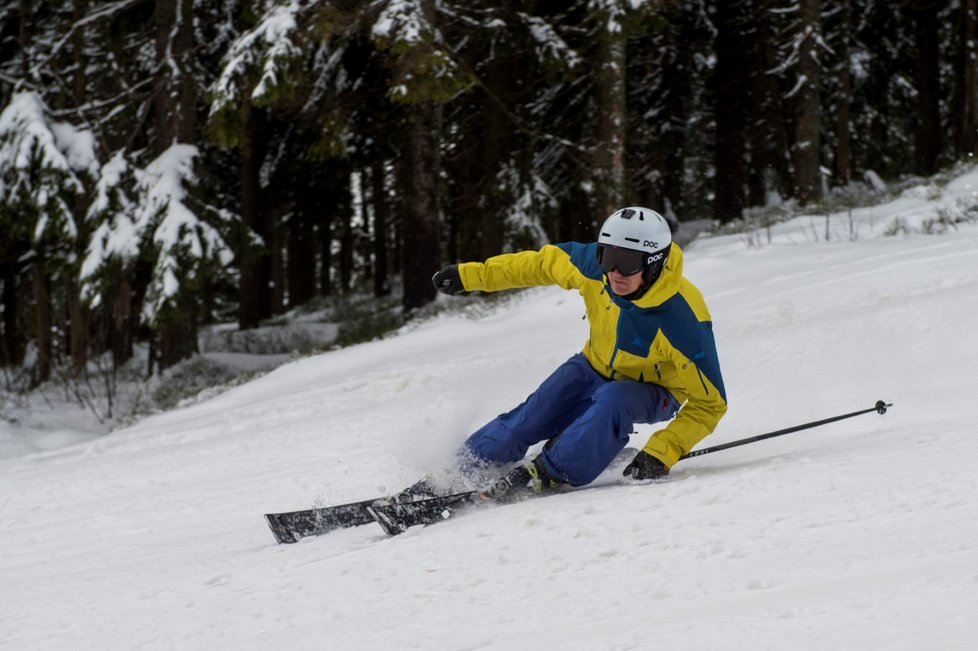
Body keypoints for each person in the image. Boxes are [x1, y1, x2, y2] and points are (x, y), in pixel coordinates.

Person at [431, 207, 727, 498]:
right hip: (593, 366)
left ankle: (551, 470)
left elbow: (710, 404)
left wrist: (663, 451)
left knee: (614, 399)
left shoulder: (681, 319)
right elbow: (536, 265)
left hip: (656, 390)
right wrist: (471, 276)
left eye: (628, 263)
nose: (614, 273)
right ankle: (461, 469)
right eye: (609, 258)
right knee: (533, 415)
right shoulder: (594, 268)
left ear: (655, 263)